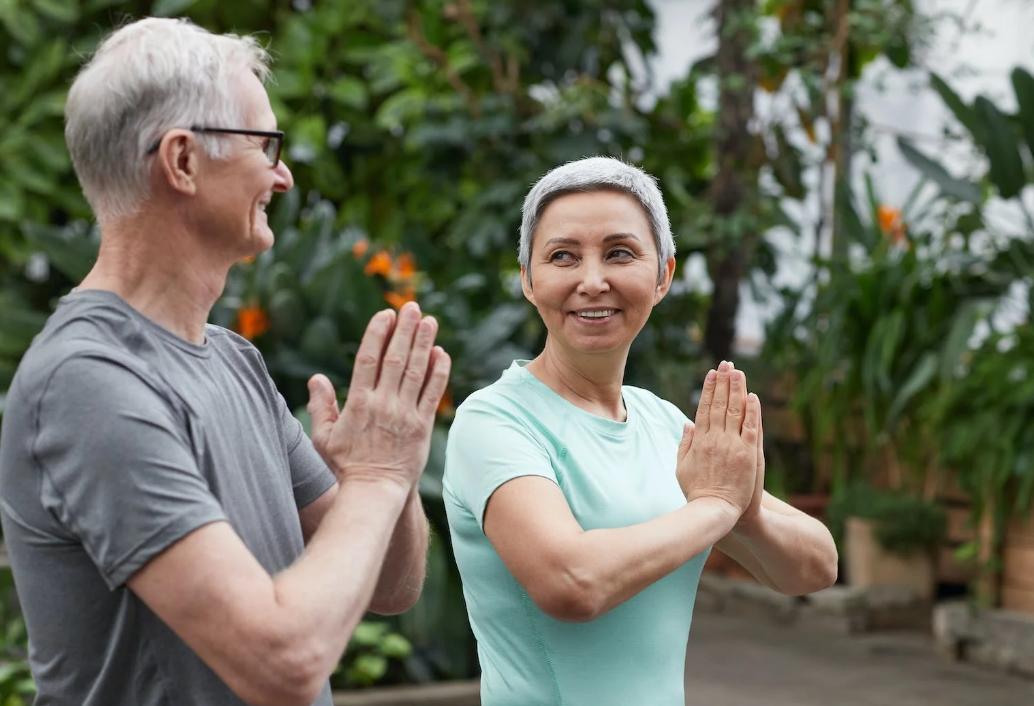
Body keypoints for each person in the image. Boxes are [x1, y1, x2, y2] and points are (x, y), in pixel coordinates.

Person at [0, 17, 450, 706]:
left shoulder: (233, 360)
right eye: (266, 144)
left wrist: (389, 467)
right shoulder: (86, 381)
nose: (284, 174)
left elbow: (392, 589)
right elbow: (285, 661)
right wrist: (380, 477)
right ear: (182, 161)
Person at [443, 157, 838, 706]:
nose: (592, 280)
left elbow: (815, 567)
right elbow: (571, 583)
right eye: (562, 256)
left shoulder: (662, 424)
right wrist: (716, 508)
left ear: (663, 276)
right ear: (529, 281)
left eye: (620, 253)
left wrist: (744, 513)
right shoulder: (495, 422)